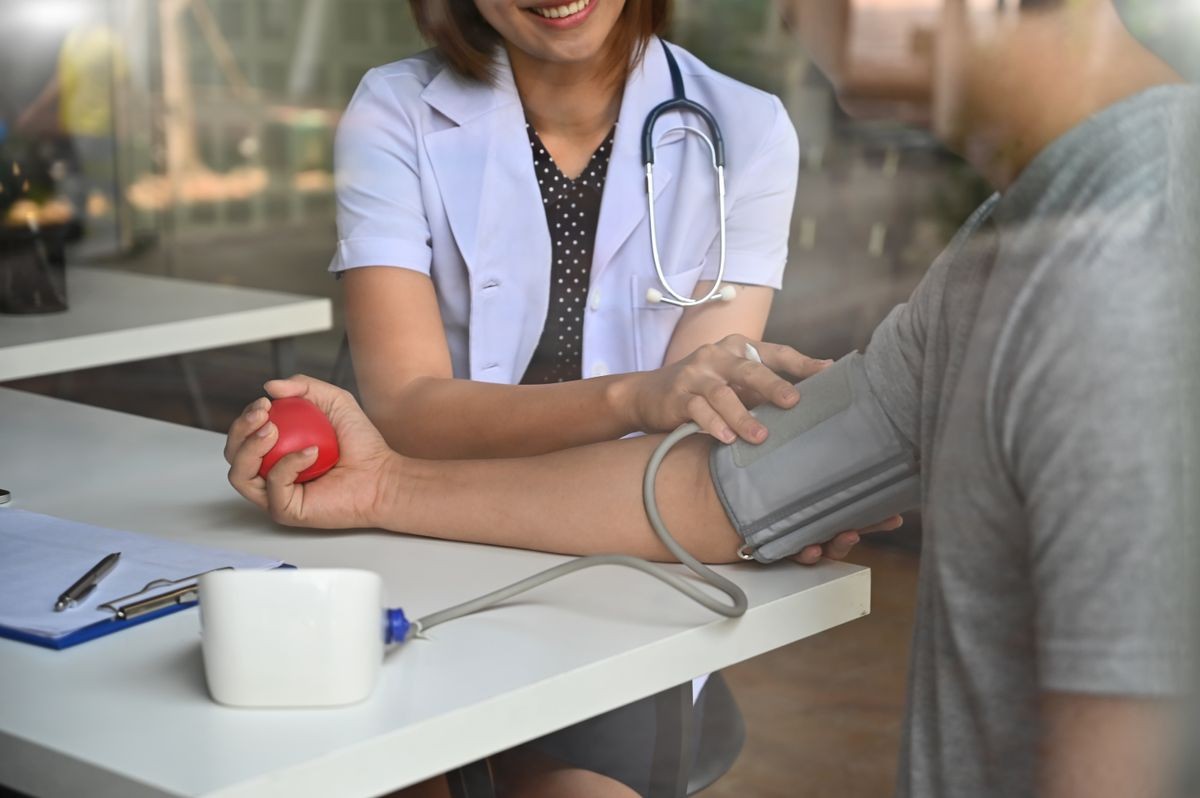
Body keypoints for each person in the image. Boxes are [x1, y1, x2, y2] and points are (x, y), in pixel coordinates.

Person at [228, 0, 1197, 794]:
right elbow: (704, 488)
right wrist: (387, 487)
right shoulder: (1004, 254)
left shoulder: (1129, 264)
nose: (789, 14)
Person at [324, 0, 875, 795]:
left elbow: (688, 446)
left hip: (611, 549)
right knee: (395, 767)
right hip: (416, 534)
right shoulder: (395, 112)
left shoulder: (746, 131)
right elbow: (407, 407)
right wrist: (633, 397)